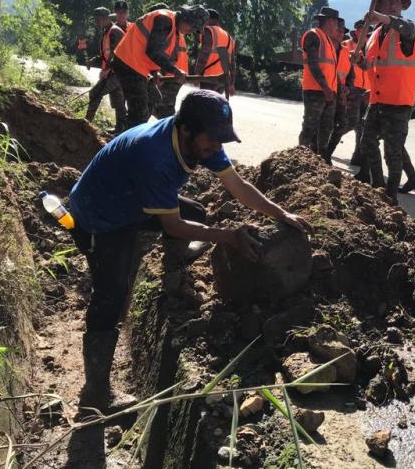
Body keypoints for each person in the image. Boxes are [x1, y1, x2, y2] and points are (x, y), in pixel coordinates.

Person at [68, 90, 313, 412]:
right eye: (212, 139)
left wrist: (281, 214)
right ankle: (95, 394)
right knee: (111, 292)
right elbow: (173, 227)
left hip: (133, 195)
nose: (216, 147)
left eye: (220, 139)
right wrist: (229, 237)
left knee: (195, 212)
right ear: (186, 129)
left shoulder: (199, 141)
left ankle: (174, 273)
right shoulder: (155, 156)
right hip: (102, 213)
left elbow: (237, 187)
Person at [355, 0, 415, 203]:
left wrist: (380, 17)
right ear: (381, 4)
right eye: (389, 1)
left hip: (398, 103)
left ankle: (390, 197)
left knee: (392, 153)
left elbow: (405, 27)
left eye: (397, 2)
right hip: (377, 101)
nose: (393, 5)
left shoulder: (406, 28)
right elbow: (371, 66)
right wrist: (360, 62)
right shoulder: (375, 35)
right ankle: (378, 185)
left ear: (402, 7)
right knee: (367, 142)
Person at [113, 5, 208, 128]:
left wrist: (155, 71)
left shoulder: (173, 27)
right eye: (193, 27)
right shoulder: (165, 20)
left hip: (136, 66)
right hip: (128, 63)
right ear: (186, 18)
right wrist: (175, 71)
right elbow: (153, 51)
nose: (192, 32)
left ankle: (131, 127)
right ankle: (126, 138)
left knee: (154, 97)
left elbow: (152, 48)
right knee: (139, 113)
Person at [298, 6, 339, 160]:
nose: (337, 27)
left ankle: (321, 158)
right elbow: (313, 64)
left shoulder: (328, 40)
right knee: (310, 126)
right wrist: (325, 87)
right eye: (336, 22)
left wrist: (333, 91)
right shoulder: (313, 36)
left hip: (328, 92)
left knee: (326, 128)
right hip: (316, 90)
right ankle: (300, 157)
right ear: (329, 21)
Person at [85, 7, 127, 134]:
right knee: (118, 102)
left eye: (97, 20)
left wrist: (107, 69)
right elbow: (105, 55)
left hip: (118, 73)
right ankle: (120, 129)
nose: (96, 23)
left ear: (105, 19)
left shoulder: (114, 32)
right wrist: (94, 61)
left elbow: (116, 55)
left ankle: (86, 122)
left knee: (95, 93)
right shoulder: (107, 32)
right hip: (116, 72)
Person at [326, 17, 355, 160]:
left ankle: (327, 153)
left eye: (342, 31)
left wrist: (348, 88)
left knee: (342, 124)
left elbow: (351, 75)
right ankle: (317, 152)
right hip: (326, 93)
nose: (340, 33)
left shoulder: (346, 52)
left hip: (340, 95)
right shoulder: (325, 48)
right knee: (324, 125)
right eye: (338, 30)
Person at [344, 20, 371, 165]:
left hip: (366, 91)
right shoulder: (347, 45)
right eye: (361, 29)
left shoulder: (371, 47)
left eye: (366, 30)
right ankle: (325, 142)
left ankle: (357, 156)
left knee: (361, 126)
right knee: (350, 122)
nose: (363, 33)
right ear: (356, 31)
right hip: (353, 89)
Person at [194, 9, 237, 96]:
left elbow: (204, 54)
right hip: (222, 79)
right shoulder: (228, 37)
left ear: (208, 18)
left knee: (205, 105)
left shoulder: (208, 31)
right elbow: (232, 63)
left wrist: (197, 74)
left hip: (209, 78)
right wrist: (231, 83)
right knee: (214, 105)